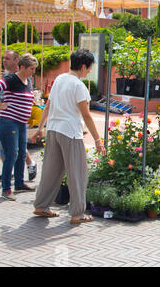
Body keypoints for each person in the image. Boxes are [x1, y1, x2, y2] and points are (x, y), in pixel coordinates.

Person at [31, 49, 106, 224]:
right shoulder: (78, 86)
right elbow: (86, 115)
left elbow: (48, 105)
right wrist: (97, 140)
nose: (89, 71)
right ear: (82, 66)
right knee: (78, 173)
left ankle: (41, 206)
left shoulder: (59, 79)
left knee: (51, 170)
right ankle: (77, 214)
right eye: (89, 68)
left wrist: (40, 128)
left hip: (53, 130)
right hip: (70, 132)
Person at [0, 53, 38, 201]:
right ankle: (6, 189)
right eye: (31, 68)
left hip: (21, 123)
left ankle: (19, 183)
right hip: (8, 121)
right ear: (22, 67)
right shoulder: (11, 79)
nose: (33, 72)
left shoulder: (27, 80)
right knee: (11, 154)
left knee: (22, 153)